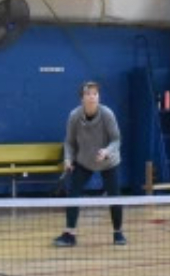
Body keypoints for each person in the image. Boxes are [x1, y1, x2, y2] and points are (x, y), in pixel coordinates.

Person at [54, 81, 126, 247]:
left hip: (108, 161)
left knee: (114, 196)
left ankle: (118, 233)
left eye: (95, 94)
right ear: (82, 98)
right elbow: (69, 142)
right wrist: (68, 159)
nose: (92, 97)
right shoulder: (74, 116)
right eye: (88, 94)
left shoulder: (107, 114)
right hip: (84, 161)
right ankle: (69, 234)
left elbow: (116, 139)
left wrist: (107, 151)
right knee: (73, 195)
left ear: (98, 97)